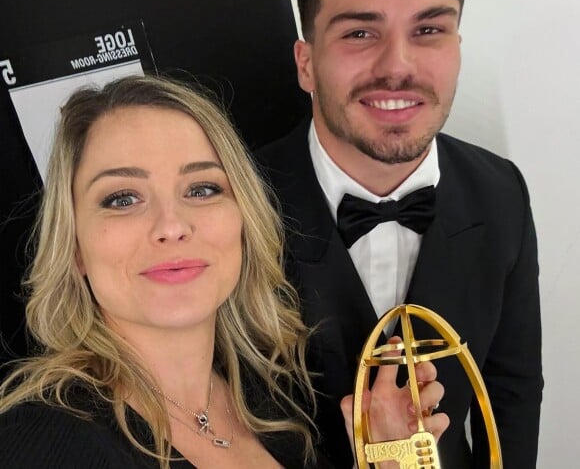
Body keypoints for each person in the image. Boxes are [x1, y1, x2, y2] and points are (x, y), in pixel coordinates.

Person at [0, 74, 446, 468]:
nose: (172, 226)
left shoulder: (276, 397)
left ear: (243, 220)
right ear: (75, 245)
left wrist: (388, 464)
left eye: (202, 188)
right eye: (122, 199)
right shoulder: (34, 441)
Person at [257, 0, 543, 469]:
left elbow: (513, 389)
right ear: (306, 63)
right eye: (361, 32)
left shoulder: (501, 190)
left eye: (429, 29)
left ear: (457, 48)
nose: (398, 66)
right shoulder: (236, 201)